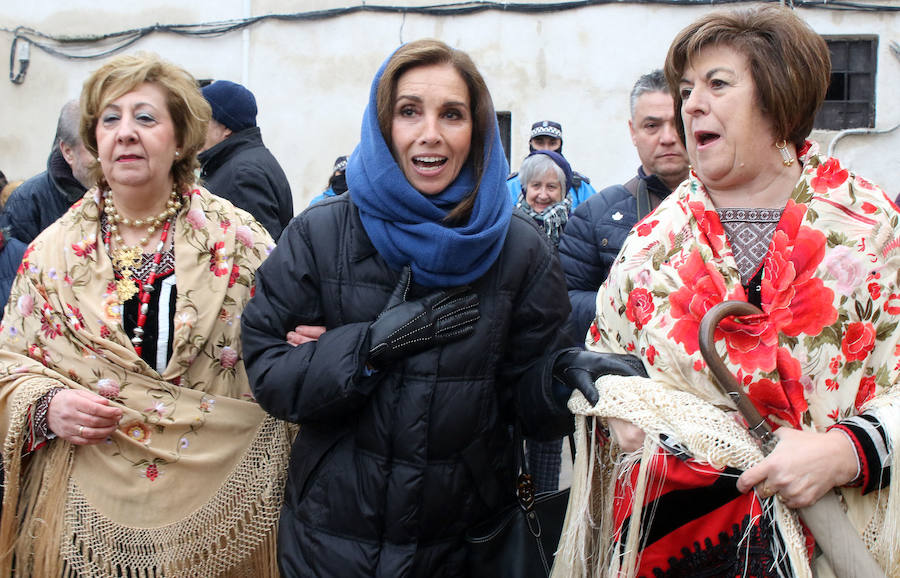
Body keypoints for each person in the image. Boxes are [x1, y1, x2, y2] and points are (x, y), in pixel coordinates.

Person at [240, 39, 641, 577]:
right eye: (409, 112)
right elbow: (270, 371)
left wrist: (559, 376)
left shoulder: (519, 249)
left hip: (467, 545)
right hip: (330, 543)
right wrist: (370, 344)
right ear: (384, 125)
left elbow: (528, 404)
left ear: (475, 130)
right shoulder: (320, 232)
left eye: (452, 114)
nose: (430, 133)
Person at [554, 6, 897, 577]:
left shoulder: (872, 228)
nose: (691, 104)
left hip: (834, 542)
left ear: (778, 96)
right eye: (686, 89)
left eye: (717, 84)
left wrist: (846, 451)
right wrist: (611, 401)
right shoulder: (650, 244)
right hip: (681, 550)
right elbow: (606, 362)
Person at [0, 52, 290, 577]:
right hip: (86, 517)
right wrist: (47, 404)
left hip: (216, 511)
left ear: (181, 138)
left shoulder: (243, 242)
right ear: (93, 140)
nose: (125, 133)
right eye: (110, 119)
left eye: (146, 118)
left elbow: (285, 344)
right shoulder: (49, 255)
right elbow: (9, 363)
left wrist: (309, 341)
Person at [558, 70, 689, 347]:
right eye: (652, 126)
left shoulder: (729, 205)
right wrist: (633, 303)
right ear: (633, 132)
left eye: (677, 123)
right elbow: (564, 302)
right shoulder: (594, 215)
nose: (667, 137)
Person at [199, 79, 293, 240]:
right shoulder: (239, 162)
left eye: (203, 120)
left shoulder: (242, 174)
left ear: (226, 127)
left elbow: (259, 253)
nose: (195, 128)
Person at [0, 100, 95, 243]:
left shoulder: (123, 191)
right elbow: (16, 262)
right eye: (93, 147)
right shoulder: (26, 202)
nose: (107, 154)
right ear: (68, 152)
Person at [507, 120, 597, 210]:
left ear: (560, 145)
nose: (546, 149)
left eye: (552, 143)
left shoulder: (580, 187)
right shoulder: (511, 185)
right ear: (530, 144)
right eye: (539, 143)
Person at [514, 149, 573, 248]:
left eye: (551, 187)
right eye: (536, 185)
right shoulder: (510, 225)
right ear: (525, 188)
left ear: (563, 190)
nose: (543, 195)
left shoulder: (575, 228)